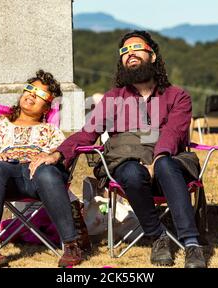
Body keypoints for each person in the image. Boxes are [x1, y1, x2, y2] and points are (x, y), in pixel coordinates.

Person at [43, 30, 207, 268]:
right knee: (130, 171)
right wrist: (59, 153)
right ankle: (157, 235)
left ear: (152, 55)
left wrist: (156, 160)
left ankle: (191, 244)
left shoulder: (177, 96)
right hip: (128, 165)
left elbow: (173, 132)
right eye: (124, 51)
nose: (130, 53)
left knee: (165, 164)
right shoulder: (112, 99)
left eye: (137, 48)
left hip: (171, 165)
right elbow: (87, 133)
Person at [0, 70, 90, 268]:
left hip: (40, 179)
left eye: (41, 94)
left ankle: (71, 245)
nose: (32, 95)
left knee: (46, 170)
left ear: (47, 107)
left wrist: (47, 157)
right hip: (7, 177)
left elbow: (61, 154)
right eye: (30, 89)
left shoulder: (51, 130)